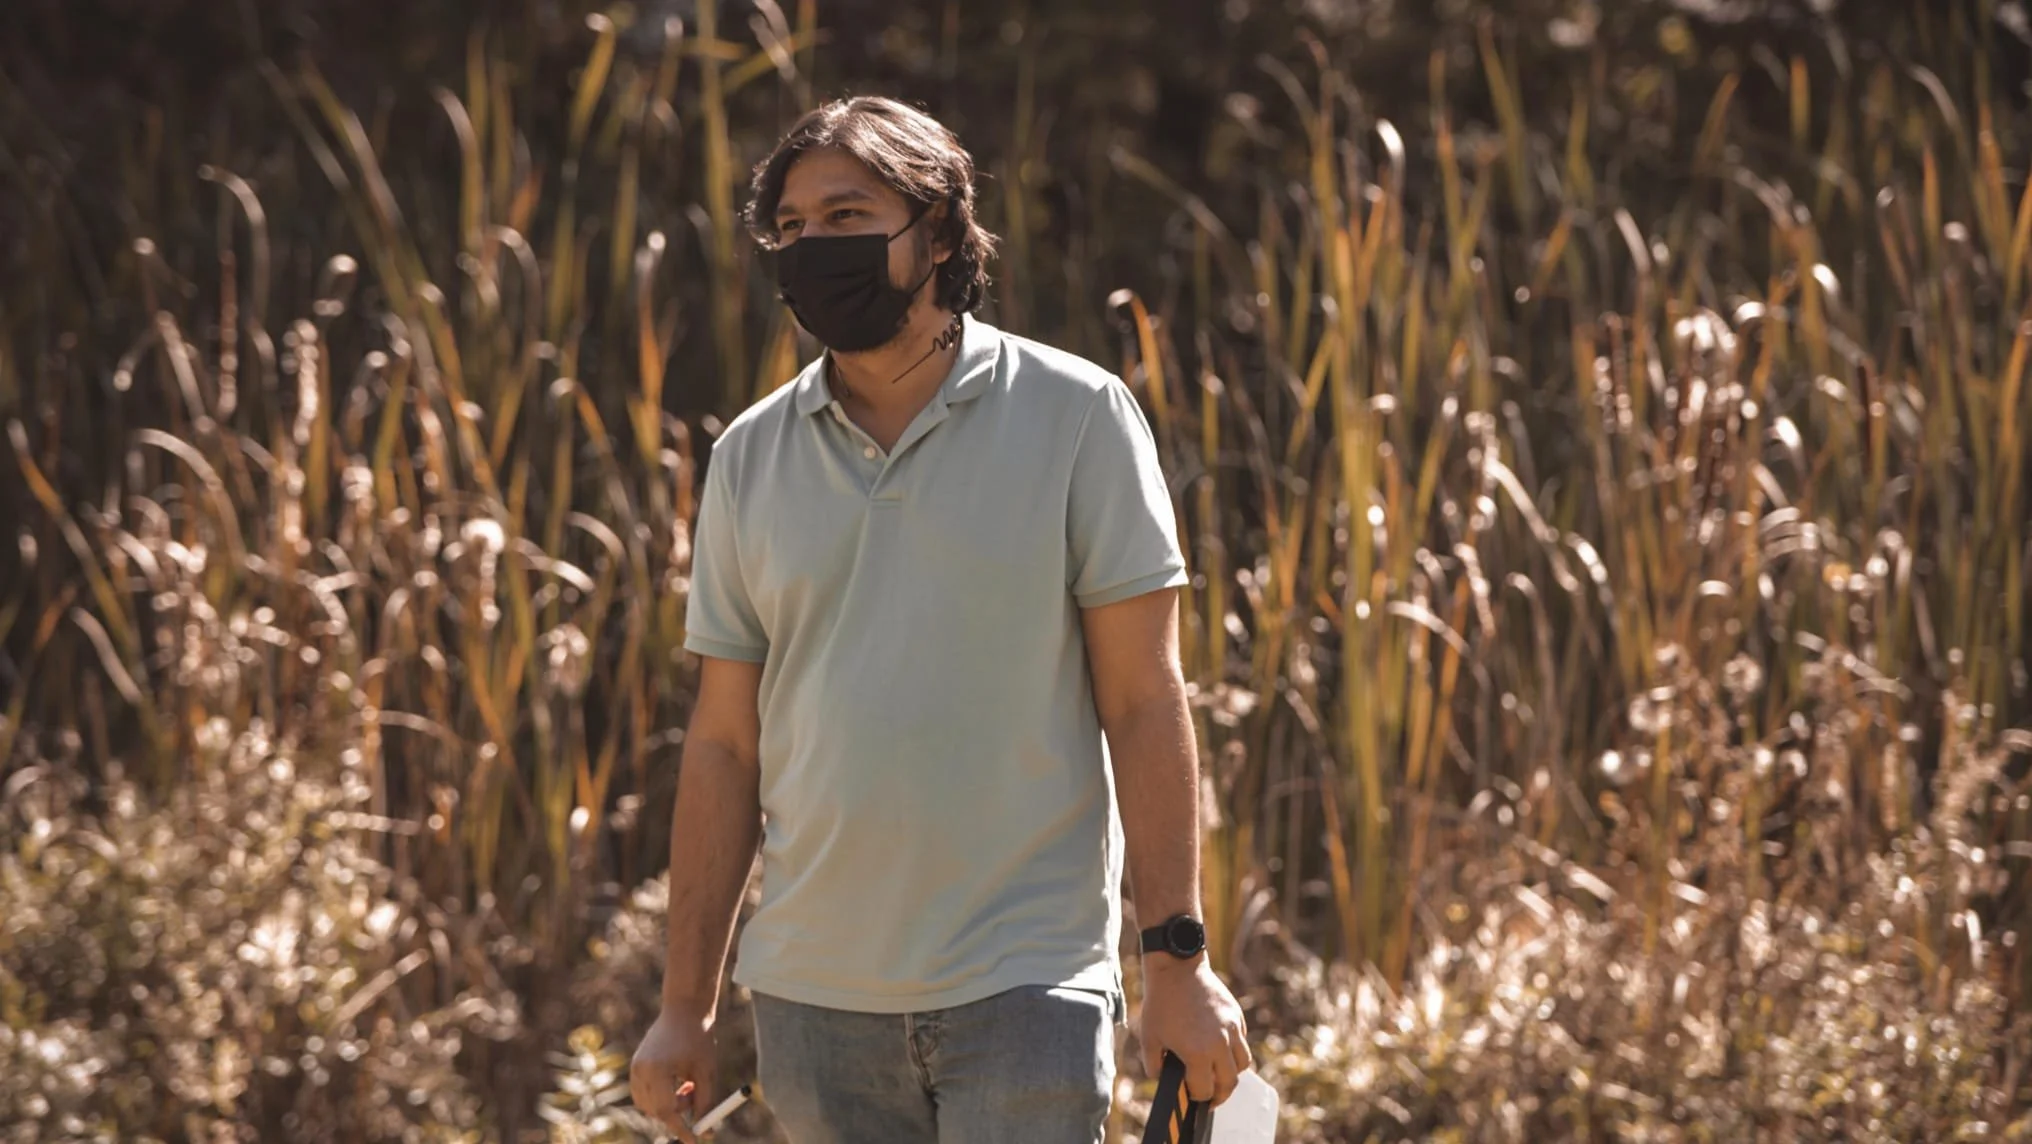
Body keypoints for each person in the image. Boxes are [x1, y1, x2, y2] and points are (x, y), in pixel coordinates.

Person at [629, 95, 1249, 1144]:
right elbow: (726, 746)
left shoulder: (1077, 416)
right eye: (793, 227)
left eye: (849, 214)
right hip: (813, 1002)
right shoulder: (747, 458)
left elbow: (1145, 702)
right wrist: (683, 1008)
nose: (814, 246)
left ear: (943, 231)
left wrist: (1176, 965)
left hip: (1025, 982)